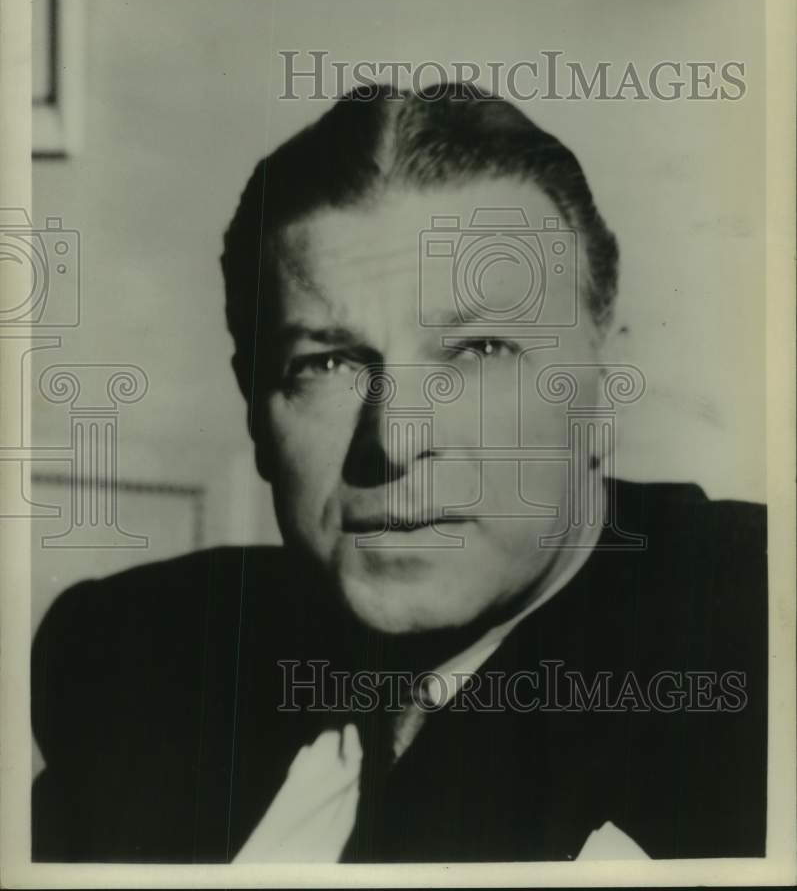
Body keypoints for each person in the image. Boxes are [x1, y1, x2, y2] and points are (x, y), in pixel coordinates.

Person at [31, 84, 767, 863]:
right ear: (255, 406)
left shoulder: (744, 645)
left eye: (479, 351)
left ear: (603, 384)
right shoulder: (136, 655)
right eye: (327, 362)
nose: (392, 439)